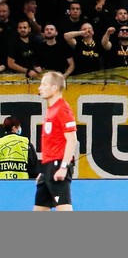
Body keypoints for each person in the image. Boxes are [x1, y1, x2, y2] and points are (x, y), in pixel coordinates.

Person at [34, 71, 78, 211]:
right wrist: (44, 171)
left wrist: (64, 167)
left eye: (43, 84)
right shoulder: (51, 110)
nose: (39, 88)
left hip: (58, 165)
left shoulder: (63, 109)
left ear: (54, 88)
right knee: (39, 210)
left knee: (64, 209)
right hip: (48, 167)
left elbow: (72, 140)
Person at [0, 116, 35, 180]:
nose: (20, 128)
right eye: (18, 126)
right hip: (22, 184)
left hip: (2, 184)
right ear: (14, 128)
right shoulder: (25, 142)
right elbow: (33, 166)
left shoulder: (0, 142)